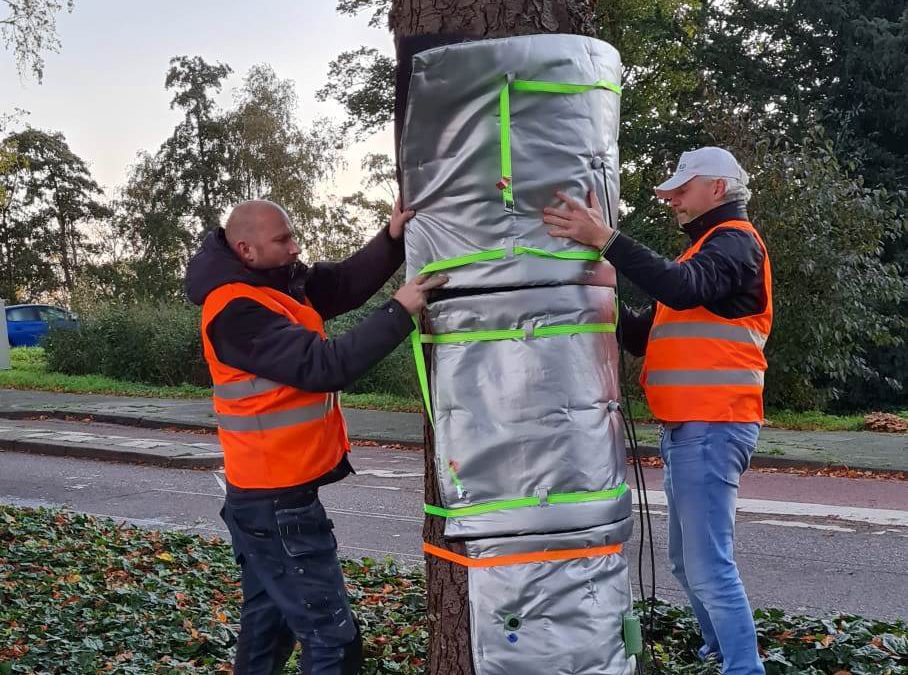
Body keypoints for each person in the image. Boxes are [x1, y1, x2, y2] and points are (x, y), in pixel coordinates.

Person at [184, 198, 446, 675]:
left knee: (269, 626)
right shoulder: (235, 310)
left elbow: (343, 284)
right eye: (283, 240)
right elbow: (325, 366)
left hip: (267, 496)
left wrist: (391, 240)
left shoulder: (279, 283)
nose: (295, 247)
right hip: (275, 502)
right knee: (333, 641)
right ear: (246, 249)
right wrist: (399, 311)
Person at [543, 147, 771, 675]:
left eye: (681, 191)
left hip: (714, 424)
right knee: (685, 562)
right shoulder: (702, 255)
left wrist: (606, 238)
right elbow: (642, 335)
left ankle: (743, 667)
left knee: (708, 564)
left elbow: (681, 287)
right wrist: (590, 287)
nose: (673, 202)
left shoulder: (735, 243)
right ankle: (718, 652)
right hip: (692, 428)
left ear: (718, 188)